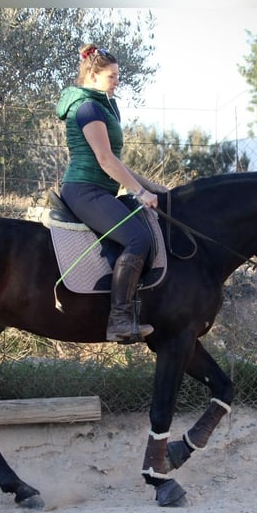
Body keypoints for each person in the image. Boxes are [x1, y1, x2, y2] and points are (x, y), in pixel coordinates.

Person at [56, 43, 168, 343]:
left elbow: (116, 162)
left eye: (118, 75)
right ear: (92, 75)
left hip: (99, 189)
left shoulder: (104, 104)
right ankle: (119, 320)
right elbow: (105, 160)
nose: (118, 81)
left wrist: (153, 187)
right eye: (112, 76)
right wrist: (140, 192)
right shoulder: (87, 106)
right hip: (84, 189)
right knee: (138, 238)